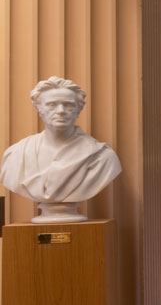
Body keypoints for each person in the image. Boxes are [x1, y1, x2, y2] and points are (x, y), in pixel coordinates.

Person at [0, 76, 122, 221]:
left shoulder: (102, 157)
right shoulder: (16, 155)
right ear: (39, 108)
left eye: (69, 105)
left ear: (79, 109)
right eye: (52, 104)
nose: (61, 111)